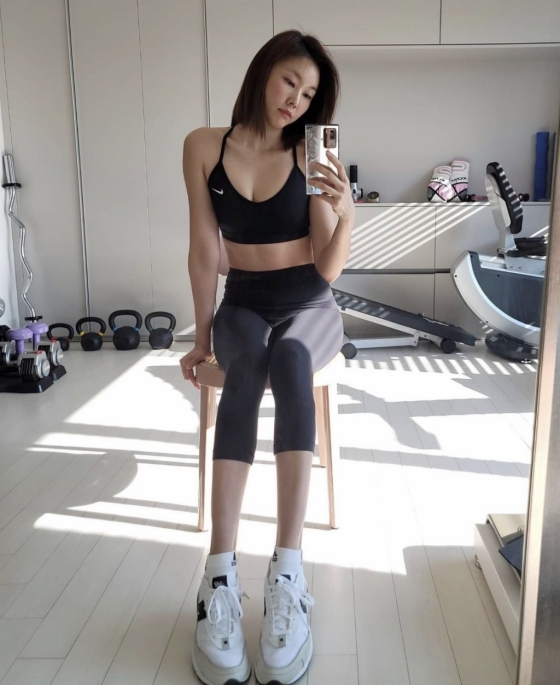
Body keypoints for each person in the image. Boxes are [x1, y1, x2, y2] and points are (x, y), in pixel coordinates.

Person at [180, 29, 354, 685]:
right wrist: (203, 337)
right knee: (248, 363)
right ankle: (219, 574)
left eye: (308, 94)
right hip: (244, 302)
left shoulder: (312, 151)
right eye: (289, 82)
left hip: (310, 304)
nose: (295, 100)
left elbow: (328, 268)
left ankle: (288, 573)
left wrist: (346, 214)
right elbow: (204, 250)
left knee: (290, 360)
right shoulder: (204, 146)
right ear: (263, 72)